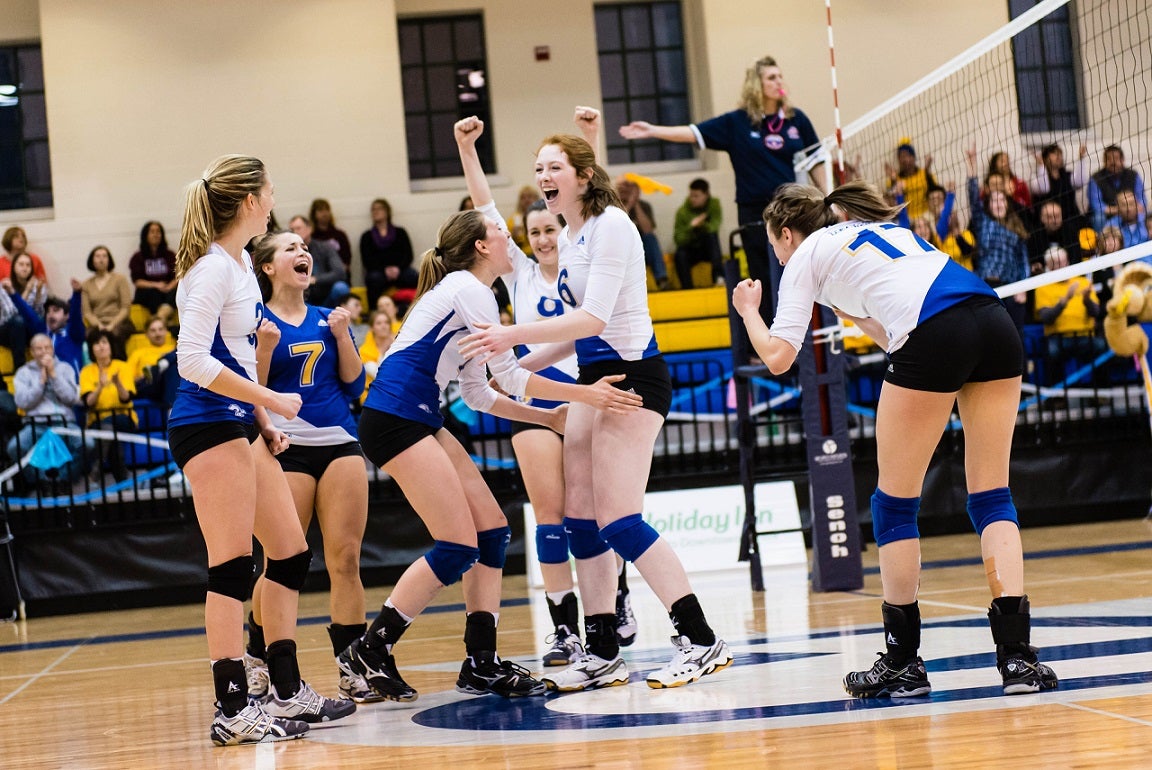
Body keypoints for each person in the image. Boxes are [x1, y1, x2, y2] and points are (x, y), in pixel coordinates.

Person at [730, 180, 1058, 699]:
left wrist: (748, 309)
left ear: (786, 234)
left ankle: (903, 663)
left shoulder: (804, 256)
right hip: (993, 321)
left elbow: (778, 357)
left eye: (774, 246)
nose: (776, 255)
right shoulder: (878, 232)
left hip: (935, 332)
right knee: (992, 494)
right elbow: (888, 330)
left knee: (893, 507)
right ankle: (1017, 660)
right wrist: (854, 312)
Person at [336, 185, 644, 703]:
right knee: (458, 545)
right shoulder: (468, 289)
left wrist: (550, 417)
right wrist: (578, 395)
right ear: (482, 246)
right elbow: (512, 375)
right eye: (500, 231)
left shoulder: (472, 292)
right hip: (393, 418)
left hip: (417, 416)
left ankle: (480, 662)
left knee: (493, 534)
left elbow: (480, 393)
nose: (507, 235)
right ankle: (372, 648)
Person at [459, 107, 732, 691]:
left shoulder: (610, 226)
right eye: (539, 168)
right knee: (581, 519)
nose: (543, 176)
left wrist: (508, 338)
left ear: (582, 175)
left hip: (631, 380)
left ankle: (701, 638)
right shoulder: (576, 231)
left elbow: (595, 317)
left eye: (554, 166)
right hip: (593, 379)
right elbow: (575, 339)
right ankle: (603, 648)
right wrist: (508, 368)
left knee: (620, 520)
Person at [167, 154, 353, 746]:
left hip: (239, 421)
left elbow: (238, 354)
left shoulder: (242, 264)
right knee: (231, 565)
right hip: (205, 423)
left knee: (291, 550)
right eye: (269, 188)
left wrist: (263, 417)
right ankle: (232, 709)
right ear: (250, 201)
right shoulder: (210, 271)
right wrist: (268, 397)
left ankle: (286, 687)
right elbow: (192, 361)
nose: (275, 195)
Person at [456, 116, 594, 667]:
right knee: (550, 516)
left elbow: (594, 193)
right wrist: (468, 149)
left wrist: (590, 138)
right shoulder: (518, 275)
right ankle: (566, 630)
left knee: (598, 513)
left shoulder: (588, 254)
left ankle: (615, 598)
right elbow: (484, 209)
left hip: (584, 392)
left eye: (550, 230)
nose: (542, 239)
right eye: (534, 232)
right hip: (536, 399)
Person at [243, 229, 380, 703]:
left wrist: (344, 336)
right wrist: (262, 350)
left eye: (304, 248)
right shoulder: (255, 322)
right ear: (267, 268)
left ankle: (351, 665)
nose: (303, 253)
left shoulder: (328, 318)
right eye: (290, 249)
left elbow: (353, 380)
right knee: (283, 561)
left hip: (339, 439)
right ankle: (259, 656)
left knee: (346, 559)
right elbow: (250, 390)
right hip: (287, 446)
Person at [619, 55, 824, 320]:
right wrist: (652, 130)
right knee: (763, 275)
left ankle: (804, 339)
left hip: (792, 211)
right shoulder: (737, 123)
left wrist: (827, 199)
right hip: (756, 213)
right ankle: (767, 339)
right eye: (771, 77)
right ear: (756, 85)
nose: (779, 81)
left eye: (780, 76)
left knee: (797, 270)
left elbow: (817, 161)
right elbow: (693, 132)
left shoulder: (796, 120)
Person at [7, 334, 85, 486]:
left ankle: (63, 479)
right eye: (39, 349)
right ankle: (43, 481)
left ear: (53, 349)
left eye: (47, 348)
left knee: (87, 444)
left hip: (63, 423)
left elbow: (70, 398)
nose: (43, 352)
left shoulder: (65, 368)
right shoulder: (23, 373)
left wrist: (54, 376)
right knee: (14, 448)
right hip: (35, 424)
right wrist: (41, 381)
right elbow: (23, 403)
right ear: (32, 352)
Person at [966, 146, 1030, 328]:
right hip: (986, 287)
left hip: (1010, 288)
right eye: (994, 200)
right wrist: (972, 165)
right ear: (989, 205)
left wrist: (1023, 287)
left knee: (1015, 336)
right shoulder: (983, 222)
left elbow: (1023, 262)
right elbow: (972, 198)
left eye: (1002, 200)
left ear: (1007, 203)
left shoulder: (1017, 229)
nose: (998, 203)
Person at [79, 328, 136, 483]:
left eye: (104, 342)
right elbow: (88, 403)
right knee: (110, 432)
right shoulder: (86, 372)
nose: (101, 346)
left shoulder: (123, 367)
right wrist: (99, 387)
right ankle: (123, 479)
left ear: (111, 346)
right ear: (91, 349)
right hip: (97, 420)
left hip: (124, 417)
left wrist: (118, 384)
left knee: (109, 428)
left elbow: (126, 399)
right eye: (97, 343)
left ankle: (96, 472)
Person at [6, 280, 85, 377]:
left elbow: (76, 317)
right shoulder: (43, 332)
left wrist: (77, 294)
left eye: (56, 311)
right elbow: (27, 313)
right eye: (48, 311)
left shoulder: (74, 333)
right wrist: (12, 293)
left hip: (72, 386)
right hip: (47, 387)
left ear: (66, 316)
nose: (50, 314)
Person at [360, 197, 418, 310]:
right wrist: (384, 270)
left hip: (400, 269)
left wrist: (398, 268)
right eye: (373, 209)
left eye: (379, 208)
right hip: (379, 271)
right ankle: (375, 312)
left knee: (413, 275)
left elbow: (408, 255)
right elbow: (367, 260)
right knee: (373, 278)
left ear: (387, 211)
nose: (376, 212)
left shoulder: (400, 232)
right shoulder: (367, 236)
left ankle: (413, 308)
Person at [615, 176, 670, 290]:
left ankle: (661, 279)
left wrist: (635, 203)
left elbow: (648, 229)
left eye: (628, 189)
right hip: (622, 249)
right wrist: (628, 205)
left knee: (650, 238)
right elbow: (618, 227)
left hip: (642, 249)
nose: (625, 192)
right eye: (622, 189)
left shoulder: (644, 206)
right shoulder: (612, 206)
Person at [287, 214, 349, 307]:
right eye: (292, 230)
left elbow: (340, 273)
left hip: (326, 294)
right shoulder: (288, 252)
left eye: (298, 228)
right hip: (303, 298)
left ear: (309, 229)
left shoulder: (325, 247)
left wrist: (315, 279)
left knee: (341, 288)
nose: (295, 232)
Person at [673, 178, 724, 289]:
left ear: (706, 195)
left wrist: (702, 225)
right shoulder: (682, 212)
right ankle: (687, 288)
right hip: (691, 248)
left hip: (708, 248)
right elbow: (679, 239)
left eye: (696, 196)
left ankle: (718, 277)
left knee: (711, 237)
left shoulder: (714, 204)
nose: (693, 199)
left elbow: (715, 226)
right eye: (691, 195)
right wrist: (692, 227)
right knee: (680, 255)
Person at [80, 245, 136, 345]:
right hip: (97, 324)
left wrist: (112, 325)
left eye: (104, 256)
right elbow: (87, 312)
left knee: (114, 335)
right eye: (97, 256)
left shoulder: (120, 279)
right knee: (89, 336)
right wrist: (99, 326)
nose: (101, 259)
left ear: (109, 260)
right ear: (92, 261)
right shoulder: (85, 285)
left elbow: (125, 308)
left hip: (120, 323)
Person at [128, 221, 178, 326]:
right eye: (152, 232)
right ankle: (164, 321)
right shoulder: (138, 257)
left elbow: (178, 276)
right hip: (149, 292)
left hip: (168, 291)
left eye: (158, 232)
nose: (156, 234)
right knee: (153, 293)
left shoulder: (170, 255)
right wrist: (156, 285)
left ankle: (159, 318)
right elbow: (137, 282)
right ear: (145, 235)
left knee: (178, 291)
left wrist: (169, 286)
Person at [1031, 142, 1088, 232]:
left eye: (1060, 153)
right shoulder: (1037, 179)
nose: (1058, 156)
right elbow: (1044, 188)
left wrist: (1081, 159)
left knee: (1085, 222)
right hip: (1049, 221)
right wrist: (1041, 166)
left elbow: (1080, 182)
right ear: (1045, 158)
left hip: (1070, 218)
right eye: (1054, 153)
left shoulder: (1068, 175)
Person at [1088, 144, 1146, 234]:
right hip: (1108, 215)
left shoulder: (1133, 175)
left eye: (1116, 158)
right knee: (1098, 218)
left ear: (1122, 160)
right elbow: (1096, 205)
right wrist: (1119, 210)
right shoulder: (1096, 179)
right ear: (1104, 162)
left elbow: (1142, 200)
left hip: (1131, 211)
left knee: (1145, 214)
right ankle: (1103, 243)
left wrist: (1132, 207)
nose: (1113, 162)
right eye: (1109, 159)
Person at [884, 138, 939, 220]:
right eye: (901, 157)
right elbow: (891, 201)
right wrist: (893, 180)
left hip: (927, 216)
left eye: (907, 155)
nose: (905, 160)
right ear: (898, 160)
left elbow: (936, 194)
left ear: (913, 157)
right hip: (906, 219)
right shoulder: (894, 178)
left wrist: (927, 170)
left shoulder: (925, 174)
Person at [126, 315, 176, 390]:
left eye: (160, 329)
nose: (157, 334)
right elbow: (128, 378)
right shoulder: (138, 353)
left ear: (166, 331)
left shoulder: (174, 350)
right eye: (153, 330)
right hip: (149, 387)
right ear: (146, 334)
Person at [308, 198, 353, 276]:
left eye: (327, 210)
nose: (324, 213)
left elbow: (347, 260)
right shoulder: (311, 237)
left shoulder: (340, 235)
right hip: (318, 276)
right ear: (314, 214)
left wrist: (336, 272)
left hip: (338, 273)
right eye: (320, 210)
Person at [9, 252, 48, 319]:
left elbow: (39, 314)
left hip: (31, 321)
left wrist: (38, 292)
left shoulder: (37, 285)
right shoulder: (7, 286)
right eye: (21, 264)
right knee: (18, 320)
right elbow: (14, 313)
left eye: (28, 265)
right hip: (13, 323)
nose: (25, 268)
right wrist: (27, 290)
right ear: (13, 267)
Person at [507, 185, 540, 256]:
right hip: (522, 254)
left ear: (536, 198)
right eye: (523, 198)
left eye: (530, 197)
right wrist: (513, 236)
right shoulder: (514, 218)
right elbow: (507, 243)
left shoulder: (544, 216)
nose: (526, 200)